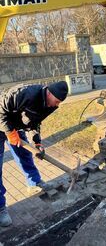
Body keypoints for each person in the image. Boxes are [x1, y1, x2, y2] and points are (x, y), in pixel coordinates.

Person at [0, 81, 68, 227]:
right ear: (49, 93)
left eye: (59, 103)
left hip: (16, 125)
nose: (56, 105)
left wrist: (37, 142)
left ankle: (34, 183)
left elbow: (35, 122)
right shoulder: (25, 93)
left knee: (25, 155)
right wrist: (10, 132)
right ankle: (0, 207)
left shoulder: (51, 104)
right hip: (1, 120)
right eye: (56, 101)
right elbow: (1, 110)